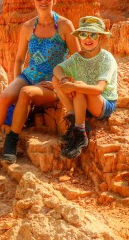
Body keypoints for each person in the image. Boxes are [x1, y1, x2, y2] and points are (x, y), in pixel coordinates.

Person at [0, 0, 80, 169]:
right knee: (5, 96)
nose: (43, 0)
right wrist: (16, 80)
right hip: (29, 75)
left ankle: (11, 141)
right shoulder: (28, 27)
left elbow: (77, 59)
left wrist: (62, 81)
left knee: (26, 93)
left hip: (51, 82)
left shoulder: (64, 25)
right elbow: (20, 58)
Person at [51, 16, 118, 159]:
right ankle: (75, 118)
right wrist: (63, 80)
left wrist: (74, 86)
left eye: (93, 34)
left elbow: (99, 89)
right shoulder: (77, 57)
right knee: (55, 80)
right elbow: (57, 69)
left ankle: (80, 134)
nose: (88, 38)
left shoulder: (107, 59)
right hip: (85, 101)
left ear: (101, 38)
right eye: (83, 34)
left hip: (103, 104)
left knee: (80, 85)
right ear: (79, 37)